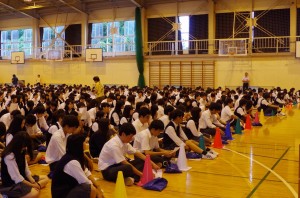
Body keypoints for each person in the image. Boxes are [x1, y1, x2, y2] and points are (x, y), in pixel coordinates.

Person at [52, 134, 104, 198]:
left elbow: (86, 172)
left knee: (92, 189)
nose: (85, 144)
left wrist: (98, 186)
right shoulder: (72, 162)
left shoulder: (74, 156)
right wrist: (98, 192)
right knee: (90, 189)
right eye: (84, 142)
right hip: (62, 194)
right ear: (79, 145)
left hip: (68, 189)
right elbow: (85, 182)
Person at [1, 131, 49, 198]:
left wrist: (33, 183)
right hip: (12, 184)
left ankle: (30, 189)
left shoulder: (21, 151)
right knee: (34, 193)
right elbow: (17, 178)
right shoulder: (9, 156)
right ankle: (8, 195)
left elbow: (26, 170)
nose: (25, 148)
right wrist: (33, 185)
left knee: (46, 178)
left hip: (23, 179)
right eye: (24, 146)